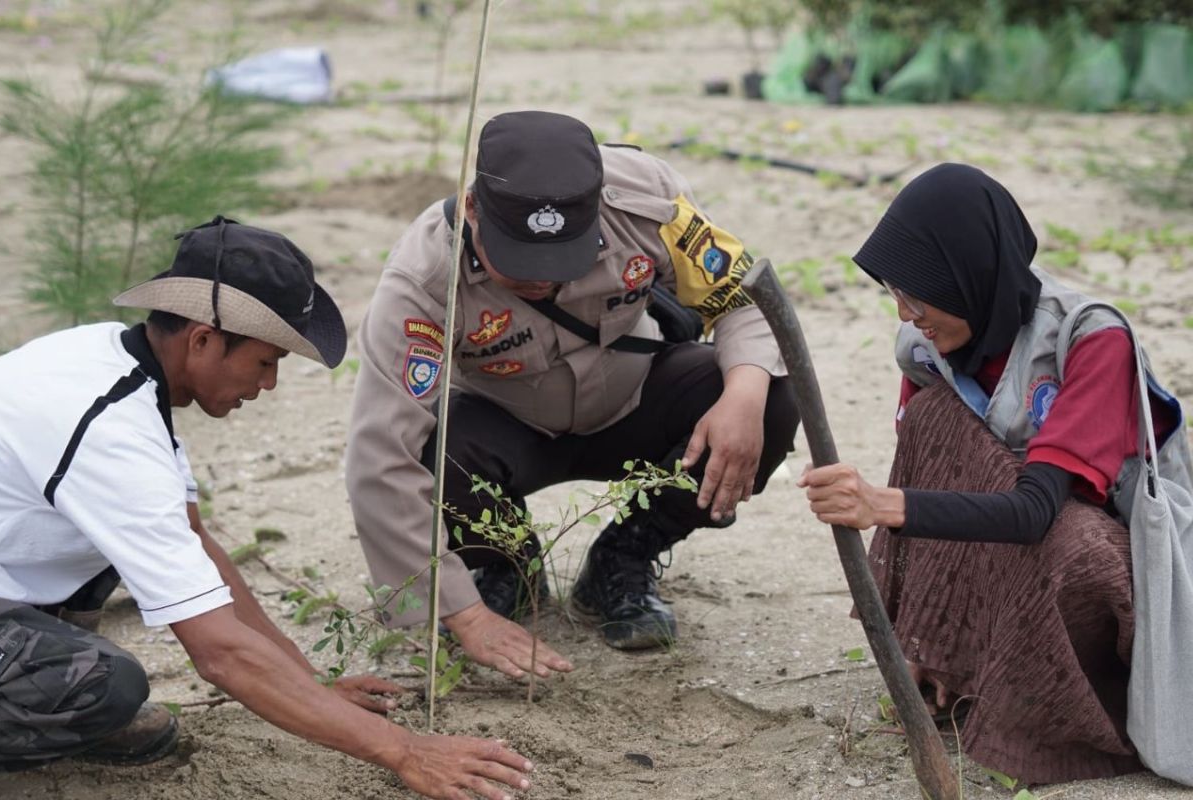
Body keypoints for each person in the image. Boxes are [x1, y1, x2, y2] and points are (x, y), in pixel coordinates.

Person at [0, 217, 534, 800]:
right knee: (107, 685)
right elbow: (220, 653)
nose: (270, 384)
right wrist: (402, 750)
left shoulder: (111, 362)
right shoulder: (111, 434)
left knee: (121, 555)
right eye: (265, 361)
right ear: (202, 339)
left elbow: (193, 539)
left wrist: (307, 684)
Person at [345, 110, 798, 679]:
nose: (540, 280)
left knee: (770, 397)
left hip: (635, 400)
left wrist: (744, 396)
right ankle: (504, 562)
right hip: (505, 426)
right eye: (517, 260)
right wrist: (457, 610)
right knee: (424, 449)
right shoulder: (424, 275)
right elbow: (378, 455)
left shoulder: (647, 199)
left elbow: (742, 293)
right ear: (471, 208)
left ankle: (624, 555)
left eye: (562, 259)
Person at [798, 163, 1187, 783]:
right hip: (1028, 523)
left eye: (918, 297)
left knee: (1073, 545)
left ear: (968, 279)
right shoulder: (929, 346)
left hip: (1124, 566)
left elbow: (1033, 513)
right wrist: (922, 633)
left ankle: (1055, 714)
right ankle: (950, 661)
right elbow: (943, 472)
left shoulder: (1090, 340)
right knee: (935, 423)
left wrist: (882, 505)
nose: (905, 315)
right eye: (894, 295)